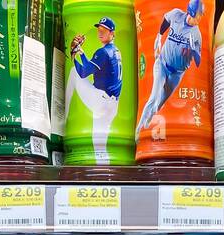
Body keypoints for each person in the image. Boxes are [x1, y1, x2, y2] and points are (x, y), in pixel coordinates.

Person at [136, 0, 204, 140]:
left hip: (177, 74)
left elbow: (198, 62)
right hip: (162, 64)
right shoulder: (176, 15)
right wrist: (159, 36)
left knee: (159, 102)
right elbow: (166, 20)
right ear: (191, 12)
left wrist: (193, 50)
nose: (200, 18)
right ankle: (139, 132)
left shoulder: (197, 34)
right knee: (153, 98)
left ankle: (148, 122)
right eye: (199, 15)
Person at [67, 16, 124, 162]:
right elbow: (91, 67)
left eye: (104, 30)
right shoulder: (115, 50)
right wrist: (81, 52)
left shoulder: (103, 52)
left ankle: (65, 116)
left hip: (100, 100)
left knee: (74, 71)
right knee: (100, 147)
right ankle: (105, 171)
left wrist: (73, 55)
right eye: (99, 29)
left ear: (112, 33)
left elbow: (84, 72)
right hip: (112, 104)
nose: (100, 33)